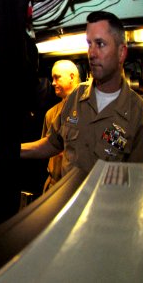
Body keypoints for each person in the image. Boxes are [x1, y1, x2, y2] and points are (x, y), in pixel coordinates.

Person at [21, 11, 143, 179]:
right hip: (68, 200)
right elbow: (52, 143)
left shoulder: (138, 113)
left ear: (121, 53)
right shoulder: (76, 97)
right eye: (89, 44)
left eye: (100, 44)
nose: (92, 53)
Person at [41, 60, 80, 193]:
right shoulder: (51, 114)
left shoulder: (89, 108)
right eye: (52, 78)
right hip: (54, 183)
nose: (53, 83)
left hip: (76, 185)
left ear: (71, 77)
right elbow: (44, 147)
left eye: (57, 77)